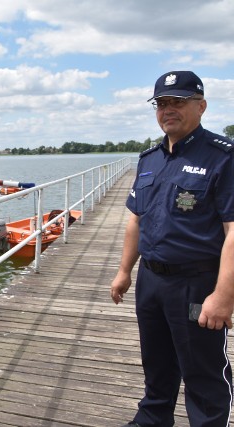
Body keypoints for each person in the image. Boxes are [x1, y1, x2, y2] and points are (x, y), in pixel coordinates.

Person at [110, 71, 234, 427]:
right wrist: (123, 272)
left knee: (204, 373)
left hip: (196, 283)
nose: (169, 110)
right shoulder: (148, 159)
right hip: (151, 281)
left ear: (201, 106)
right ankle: (151, 419)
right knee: (157, 366)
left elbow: (233, 230)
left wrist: (224, 295)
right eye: (162, 103)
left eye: (178, 102)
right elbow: (136, 220)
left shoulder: (223, 157)